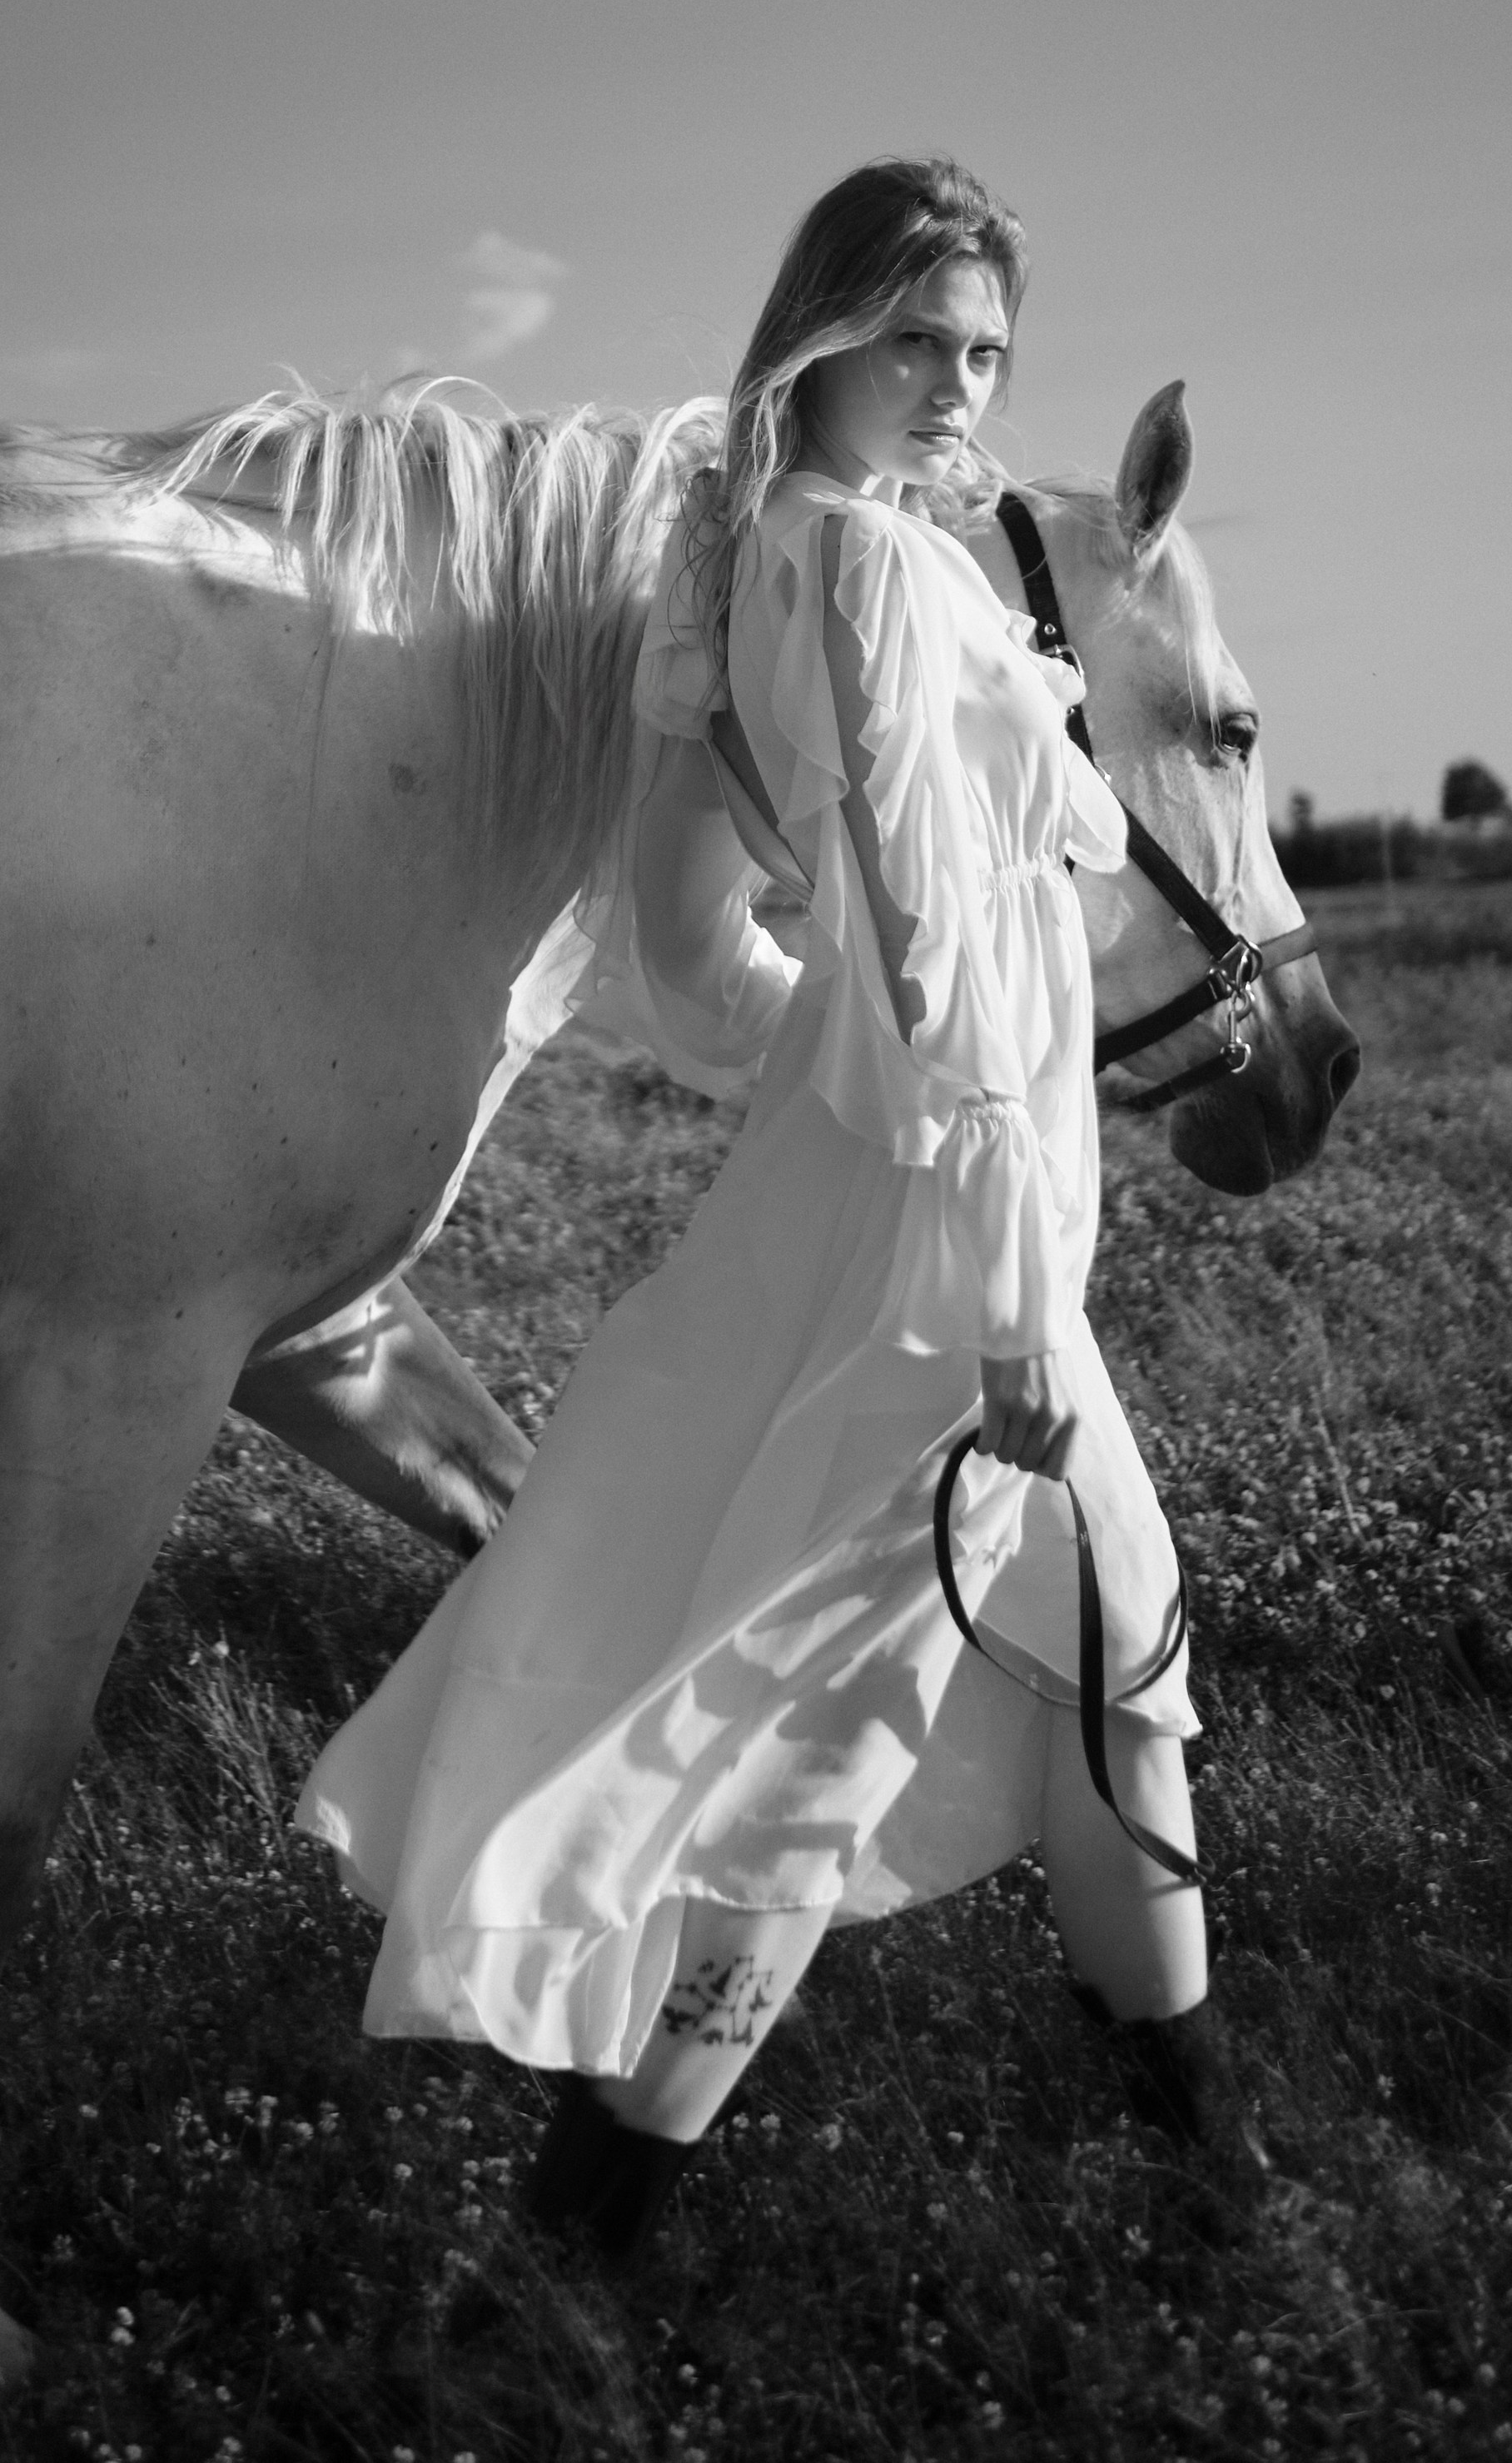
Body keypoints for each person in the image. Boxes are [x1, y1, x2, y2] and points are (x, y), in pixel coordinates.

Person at [296, 159, 1258, 2261]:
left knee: (1115, 1647)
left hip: (920, 1199)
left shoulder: (765, 558)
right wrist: (1002, 1276)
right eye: (917, 333)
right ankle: (569, 2253)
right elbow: (936, 969)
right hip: (954, 1247)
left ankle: (1211, 2156)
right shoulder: (880, 580)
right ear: (823, 328)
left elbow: (687, 929)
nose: (955, 380)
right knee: (822, 1718)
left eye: (987, 347)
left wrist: (816, 1066)